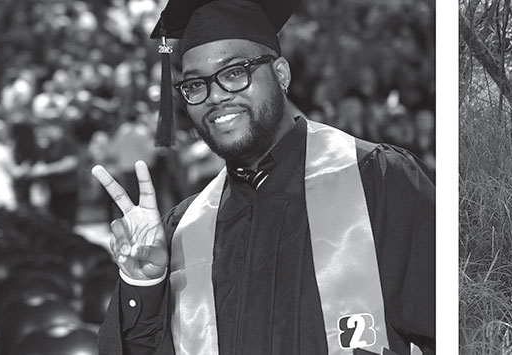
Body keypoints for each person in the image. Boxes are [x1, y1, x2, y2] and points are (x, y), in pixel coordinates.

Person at [90, 0, 435, 354]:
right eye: (194, 85)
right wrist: (144, 286)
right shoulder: (185, 230)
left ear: (282, 75)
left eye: (235, 72)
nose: (216, 96)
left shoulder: (377, 182)